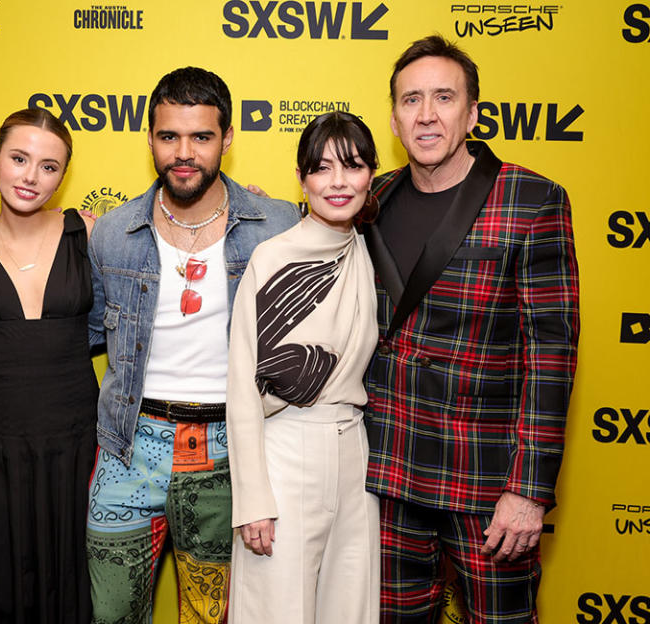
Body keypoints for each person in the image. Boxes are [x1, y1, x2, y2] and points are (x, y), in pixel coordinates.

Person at [363, 35, 580, 623]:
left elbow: (552, 355)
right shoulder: (371, 199)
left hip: (487, 482)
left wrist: (530, 490)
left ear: (473, 112)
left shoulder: (531, 200)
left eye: (443, 97)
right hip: (387, 473)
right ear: (394, 117)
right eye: (411, 100)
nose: (426, 114)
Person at [84, 66, 299, 623]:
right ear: (150, 138)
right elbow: (80, 336)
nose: (184, 153)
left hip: (229, 449)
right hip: (128, 448)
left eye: (202, 137)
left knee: (210, 617)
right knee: (112, 614)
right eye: (168, 136)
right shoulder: (112, 231)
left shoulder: (278, 226)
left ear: (227, 139)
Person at [226, 111, 381, 624]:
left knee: (350, 607)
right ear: (301, 178)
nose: (338, 182)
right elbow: (243, 386)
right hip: (285, 451)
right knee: (277, 610)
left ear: (372, 175)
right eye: (322, 168)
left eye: (353, 166)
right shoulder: (273, 257)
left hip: (354, 456)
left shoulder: (366, 248)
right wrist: (252, 499)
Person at [0, 108, 97, 624]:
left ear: (63, 175)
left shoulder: (91, 235)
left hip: (76, 445)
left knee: (73, 591)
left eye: (49, 166)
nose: (31, 177)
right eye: (19, 158)